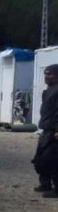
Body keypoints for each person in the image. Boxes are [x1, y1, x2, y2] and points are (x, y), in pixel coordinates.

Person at [33, 64, 58, 197]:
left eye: (50, 74)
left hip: (54, 131)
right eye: (45, 74)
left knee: (52, 160)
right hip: (46, 130)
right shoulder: (48, 90)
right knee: (39, 159)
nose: (47, 76)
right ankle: (45, 183)